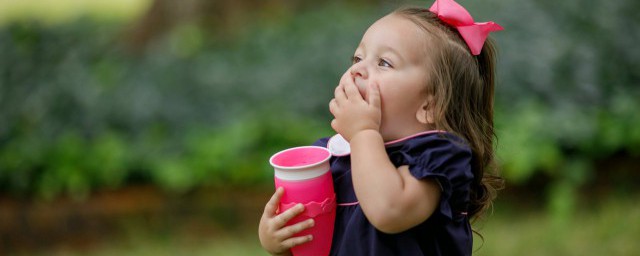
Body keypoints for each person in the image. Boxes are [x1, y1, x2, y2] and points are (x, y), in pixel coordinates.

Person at [259, 0, 504, 255]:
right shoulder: (333, 156)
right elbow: (315, 240)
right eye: (357, 57)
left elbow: (389, 211)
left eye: (384, 63)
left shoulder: (439, 157)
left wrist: (364, 133)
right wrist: (278, 239)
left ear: (431, 105)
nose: (357, 70)